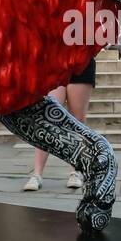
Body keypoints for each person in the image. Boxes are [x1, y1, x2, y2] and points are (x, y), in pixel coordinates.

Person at [23, 59, 95, 191]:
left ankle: (76, 171)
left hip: (81, 61)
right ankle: (37, 174)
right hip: (55, 61)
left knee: (77, 121)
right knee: (46, 119)